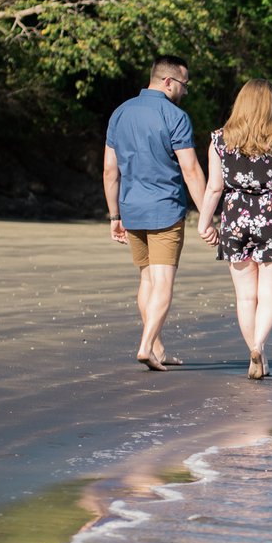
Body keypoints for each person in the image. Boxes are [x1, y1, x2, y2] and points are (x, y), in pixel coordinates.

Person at [197, 79, 272, 380]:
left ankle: (254, 348)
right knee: (269, 295)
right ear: (271, 104)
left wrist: (204, 221)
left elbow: (214, 187)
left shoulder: (219, 139)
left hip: (235, 219)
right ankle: (260, 345)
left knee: (246, 297)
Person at [104, 55, 206, 371]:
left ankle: (157, 347)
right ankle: (146, 346)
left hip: (132, 207)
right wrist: (207, 215)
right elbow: (190, 169)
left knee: (147, 279)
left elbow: (110, 171)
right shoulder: (174, 116)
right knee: (163, 282)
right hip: (165, 209)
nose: (185, 91)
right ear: (168, 81)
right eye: (184, 85)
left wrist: (114, 215)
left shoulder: (120, 113)